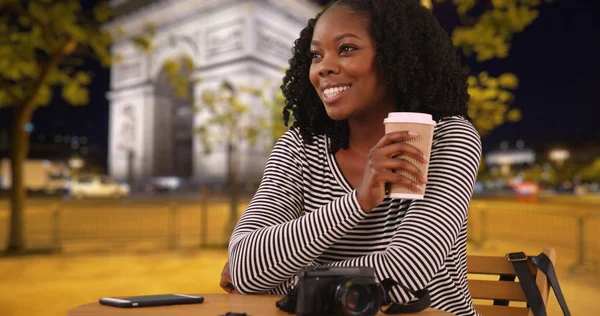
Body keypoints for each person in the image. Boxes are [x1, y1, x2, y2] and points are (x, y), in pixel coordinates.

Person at [220, 0, 481, 315]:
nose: (323, 67)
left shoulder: (447, 138)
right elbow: (247, 263)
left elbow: (407, 271)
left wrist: (283, 275)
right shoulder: (299, 147)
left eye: (346, 49)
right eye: (316, 55)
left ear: (395, 55)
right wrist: (358, 202)